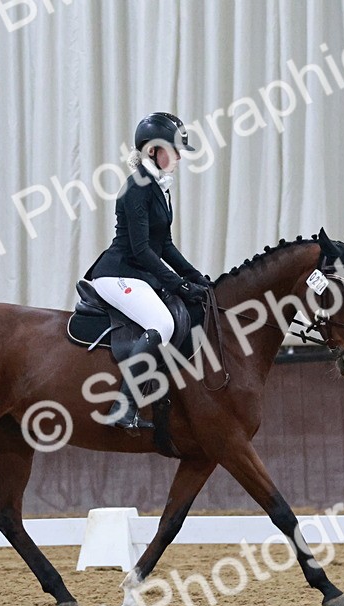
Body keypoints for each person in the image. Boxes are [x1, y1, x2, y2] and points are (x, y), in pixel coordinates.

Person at [83, 112, 212, 432]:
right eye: (175, 150)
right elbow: (141, 249)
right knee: (162, 323)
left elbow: (165, 245)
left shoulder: (160, 188)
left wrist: (197, 277)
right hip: (118, 272)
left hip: (139, 271)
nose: (180, 157)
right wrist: (179, 285)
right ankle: (122, 407)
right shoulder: (137, 187)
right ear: (153, 150)